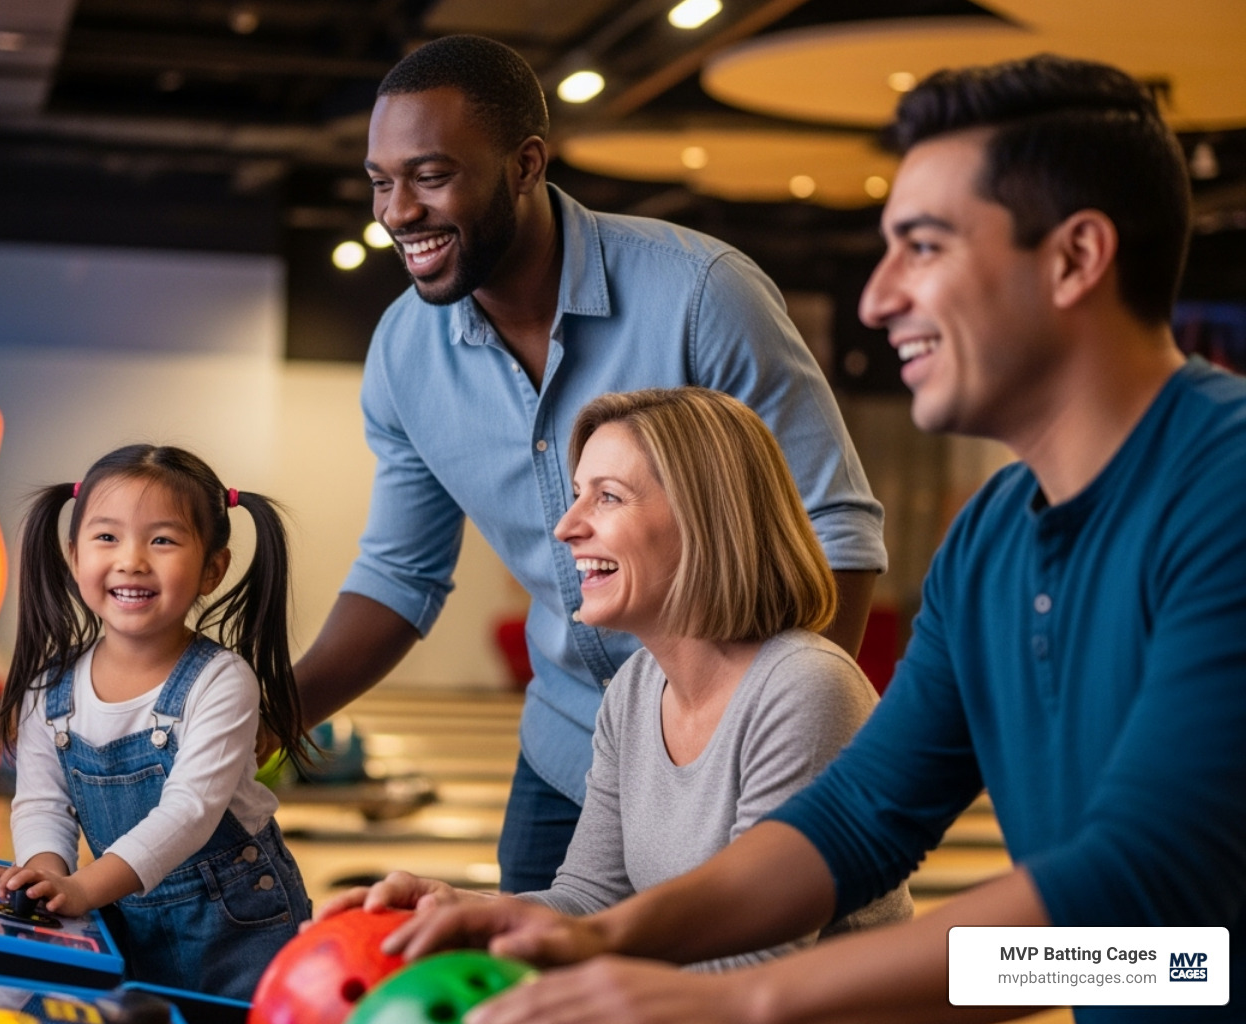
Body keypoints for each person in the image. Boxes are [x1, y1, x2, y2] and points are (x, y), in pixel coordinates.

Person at [377, 54, 1246, 1024]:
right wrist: (595, 934)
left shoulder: (1225, 489)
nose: (878, 300)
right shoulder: (992, 542)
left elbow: (1152, 915)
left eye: (922, 246)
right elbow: (860, 824)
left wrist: (744, 1001)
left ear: (1076, 257)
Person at [290, 33, 888, 893]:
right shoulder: (401, 355)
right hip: (574, 744)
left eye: (430, 176)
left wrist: (767, 730)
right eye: (381, 182)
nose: (397, 211)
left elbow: (835, 527)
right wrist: (272, 718)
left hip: (734, 737)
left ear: (526, 165)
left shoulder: (699, 294)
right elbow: (399, 574)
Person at [319, 388, 911, 966]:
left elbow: (758, 961)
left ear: (705, 518)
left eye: (608, 497)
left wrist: (583, 962)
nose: (566, 526)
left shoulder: (804, 687)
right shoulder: (634, 688)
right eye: (577, 495)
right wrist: (464, 915)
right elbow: (590, 900)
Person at [0, 444, 313, 1001]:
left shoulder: (222, 681)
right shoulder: (48, 690)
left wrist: (83, 885)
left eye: (162, 540)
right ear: (73, 555)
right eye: (106, 537)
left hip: (242, 934)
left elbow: (188, 814)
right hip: (130, 923)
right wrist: (44, 877)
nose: (131, 559)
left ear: (213, 569)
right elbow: (41, 804)